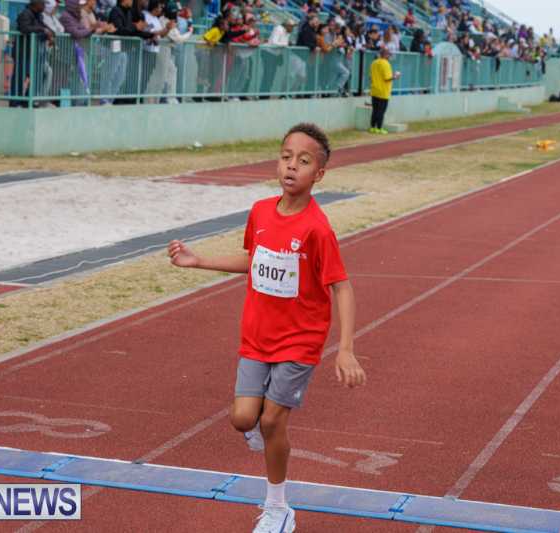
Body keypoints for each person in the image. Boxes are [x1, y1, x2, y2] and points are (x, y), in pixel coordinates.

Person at [167, 123, 366, 533]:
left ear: (319, 175)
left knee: (274, 422)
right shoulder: (259, 211)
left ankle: (278, 508)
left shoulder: (317, 229)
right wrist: (199, 260)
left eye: (304, 161)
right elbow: (253, 259)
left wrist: (345, 348)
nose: (292, 166)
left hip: (300, 340)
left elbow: (342, 288)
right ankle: (262, 433)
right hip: (256, 338)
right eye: (286, 157)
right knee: (243, 420)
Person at [11, 0, 53, 107]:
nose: (44, 6)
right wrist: (42, 30)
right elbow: (25, 29)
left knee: (36, 77)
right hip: (23, 52)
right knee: (20, 78)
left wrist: (50, 34)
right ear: (36, 4)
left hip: (34, 53)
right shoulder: (25, 14)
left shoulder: (38, 16)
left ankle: (26, 101)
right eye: (42, 3)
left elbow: (43, 29)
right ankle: (15, 103)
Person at [369, 47, 399, 134]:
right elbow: (387, 78)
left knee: (375, 110)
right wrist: (395, 76)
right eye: (389, 54)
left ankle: (372, 127)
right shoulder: (386, 64)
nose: (389, 56)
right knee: (381, 111)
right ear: (385, 55)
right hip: (383, 91)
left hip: (374, 89)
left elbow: (370, 77)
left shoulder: (374, 63)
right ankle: (379, 128)